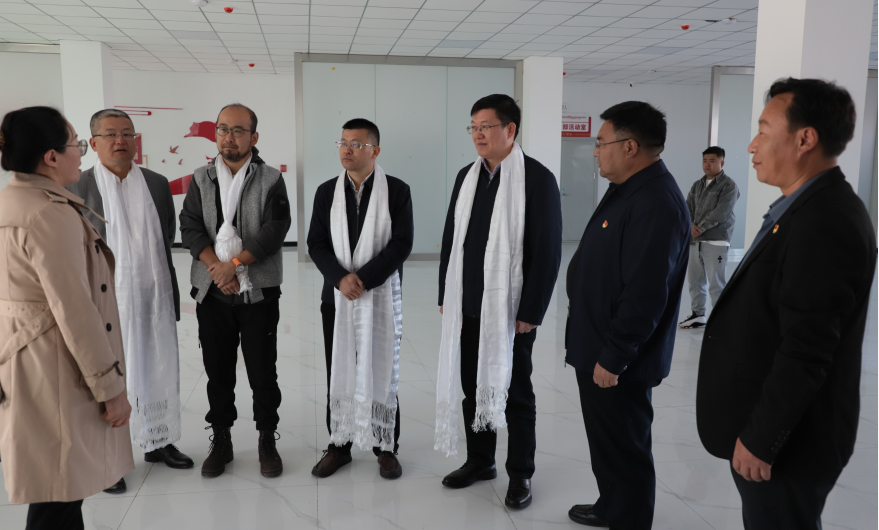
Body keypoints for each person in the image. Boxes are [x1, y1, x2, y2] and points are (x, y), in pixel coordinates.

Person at [696, 78, 876, 530]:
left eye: (763, 130)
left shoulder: (824, 220)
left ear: (804, 138)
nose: (752, 145)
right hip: (774, 425)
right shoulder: (801, 208)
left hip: (791, 440)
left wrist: (763, 439)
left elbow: (807, 349)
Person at [0, 106, 134, 529]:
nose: (81, 153)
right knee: (58, 495)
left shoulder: (11, 202)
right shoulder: (48, 214)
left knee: (57, 492)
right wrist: (110, 388)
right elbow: (76, 311)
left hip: (24, 364)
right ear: (51, 157)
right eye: (76, 144)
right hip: (55, 371)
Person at [564, 101, 690, 528]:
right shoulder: (629, 188)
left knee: (625, 445)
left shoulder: (656, 201)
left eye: (601, 143)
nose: (596, 151)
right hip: (600, 345)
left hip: (619, 359)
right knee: (609, 442)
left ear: (630, 146)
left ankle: (629, 517)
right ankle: (612, 505)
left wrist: (615, 356)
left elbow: (646, 292)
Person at [436, 94, 562, 510]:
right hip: (467, 302)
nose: (478, 134)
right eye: (473, 127)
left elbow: (547, 250)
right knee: (471, 387)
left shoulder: (537, 179)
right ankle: (480, 460)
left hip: (510, 311)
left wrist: (532, 310)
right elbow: (451, 239)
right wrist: (445, 293)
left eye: (485, 127)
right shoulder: (467, 176)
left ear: (510, 129)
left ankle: (520, 472)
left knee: (516, 392)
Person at [67, 109, 192, 496]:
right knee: (107, 380)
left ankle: (159, 440)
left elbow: (166, 234)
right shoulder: (78, 186)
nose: (120, 141)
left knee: (158, 364)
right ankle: (109, 459)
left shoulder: (156, 183)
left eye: (127, 134)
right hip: (105, 302)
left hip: (154, 297)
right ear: (93, 143)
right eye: (110, 134)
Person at [180, 103, 291, 479]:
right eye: (223, 129)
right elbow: (190, 226)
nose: (229, 137)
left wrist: (236, 264)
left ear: (253, 137)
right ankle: (222, 439)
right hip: (213, 293)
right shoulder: (201, 178)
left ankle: (266, 439)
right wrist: (218, 268)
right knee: (218, 371)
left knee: (263, 372)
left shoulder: (271, 178)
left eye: (238, 130)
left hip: (258, 292)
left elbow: (275, 230)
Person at [307, 118, 413, 480]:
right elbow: (316, 243)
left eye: (356, 143)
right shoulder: (326, 192)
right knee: (340, 368)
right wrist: (341, 279)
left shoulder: (396, 191)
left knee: (382, 368)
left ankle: (386, 446)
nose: (347, 149)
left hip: (379, 295)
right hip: (336, 298)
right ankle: (340, 445)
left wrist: (363, 279)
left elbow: (402, 243)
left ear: (375, 150)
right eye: (342, 142)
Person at [679, 145, 740, 329]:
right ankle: (698, 315)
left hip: (716, 240)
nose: (707, 164)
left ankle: (721, 319)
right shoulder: (697, 185)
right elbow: (687, 207)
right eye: (705, 161)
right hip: (695, 240)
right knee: (695, 281)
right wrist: (690, 227)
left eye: (712, 161)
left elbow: (722, 212)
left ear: (722, 163)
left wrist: (700, 228)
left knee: (716, 283)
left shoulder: (728, 185)